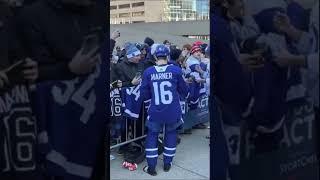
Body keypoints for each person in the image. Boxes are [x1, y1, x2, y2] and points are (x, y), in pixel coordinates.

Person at [140, 44, 188, 176]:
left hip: (155, 110)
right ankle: (167, 164)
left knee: (152, 136)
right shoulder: (176, 70)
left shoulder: (148, 72)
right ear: (167, 56)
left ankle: (151, 167)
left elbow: (144, 94)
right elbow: (184, 90)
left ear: (155, 56)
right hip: (172, 110)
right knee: (171, 134)